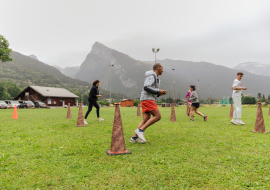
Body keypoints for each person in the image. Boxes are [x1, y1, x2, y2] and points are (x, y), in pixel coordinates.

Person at [130, 63, 167, 143]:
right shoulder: (152, 75)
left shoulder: (156, 78)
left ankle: (134, 138)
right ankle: (141, 130)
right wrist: (158, 91)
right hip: (147, 99)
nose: (163, 70)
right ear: (158, 68)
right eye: (162, 68)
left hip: (146, 99)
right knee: (157, 116)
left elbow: (152, 91)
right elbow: (146, 87)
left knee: (146, 119)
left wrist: (159, 93)